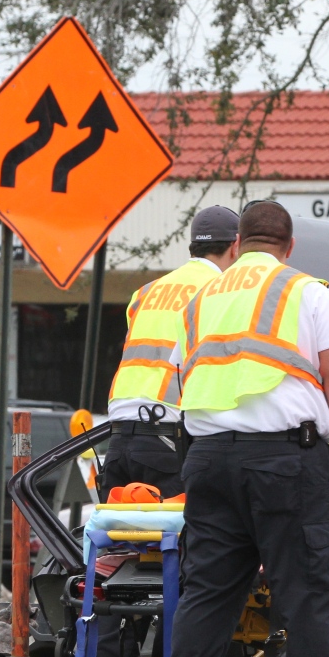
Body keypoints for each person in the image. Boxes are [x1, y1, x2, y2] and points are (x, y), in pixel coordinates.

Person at [158, 200, 329, 657]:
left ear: (238, 244)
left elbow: (184, 380)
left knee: (207, 591)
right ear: (289, 245)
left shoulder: (200, 300)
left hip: (208, 460)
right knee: (308, 590)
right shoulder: (307, 291)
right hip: (285, 461)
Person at [102, 205, 237, 497]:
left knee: (119, 538)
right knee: (177, 538)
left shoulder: (146, 291)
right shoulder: (219, 291)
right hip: (166, 439)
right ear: (235, 247)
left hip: (118, 437)